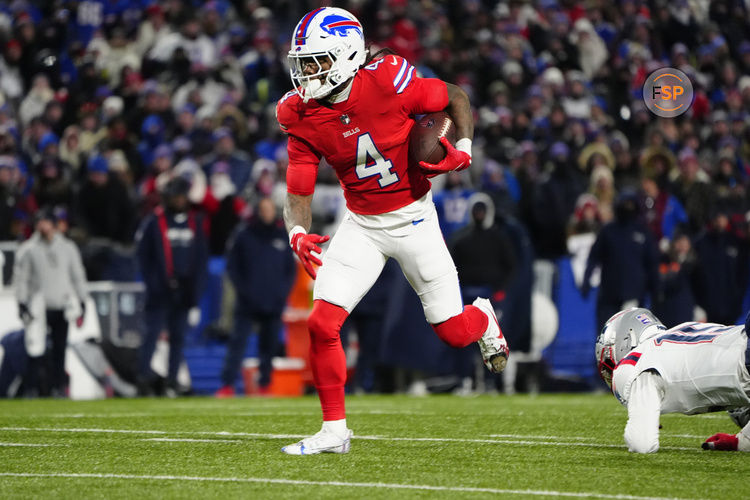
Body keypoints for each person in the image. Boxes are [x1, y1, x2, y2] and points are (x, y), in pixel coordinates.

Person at [276, 7, 508, 455]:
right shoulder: (300, 113)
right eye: (301, 62)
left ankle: (484, 319)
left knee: (453, 331)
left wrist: (462, 148)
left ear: (345, 56)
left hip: (415, 219)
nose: (304, 73)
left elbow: (455, 96)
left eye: (315, 61)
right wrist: (297, 233)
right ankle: (334, 431)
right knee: (323, 322)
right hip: (362, 224)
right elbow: (298, 187)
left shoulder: (387, 79)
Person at [595, 307, 750, 453]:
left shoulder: (635, 362)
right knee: (740, 412)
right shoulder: (680, 331)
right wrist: (743, 440)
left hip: (746, 359)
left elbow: (642, 443)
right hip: (744, 340)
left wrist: (641, 418)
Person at [135, 176, 208, 396]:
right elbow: (142, 256)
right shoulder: (154, 221)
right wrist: (155, 284)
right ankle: (144, 379)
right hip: (160, 291)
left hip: (184, 291)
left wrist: (195, 295)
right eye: (175, 196)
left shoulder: (195, 222)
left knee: (178, 338)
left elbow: (201, 260)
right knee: (152, 335)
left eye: (182, 196)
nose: (179, 200)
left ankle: (172, 380)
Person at [215, 197, 296, 396]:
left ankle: (264, 385)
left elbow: (290, 270)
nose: (267, 213)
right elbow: (232, 267)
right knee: (237, 345)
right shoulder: (244, 235)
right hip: (247, 303)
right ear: (258, 211)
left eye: (269, 209)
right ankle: (227, 385)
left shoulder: (281, 236)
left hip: (273, 303)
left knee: (268, 348)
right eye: (263, 209)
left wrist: (281, 294)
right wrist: (245, 292)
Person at [13, 208, 88, 397]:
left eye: (45, 221)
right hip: (38, 306)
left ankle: (59, 387)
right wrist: (21, 302)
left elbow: (77, 275)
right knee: (34, 349)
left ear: (53, 224)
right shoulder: (29, 249)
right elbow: (21, 278)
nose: (41, 225)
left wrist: (82, 300)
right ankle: (31, 388)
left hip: (61, 304)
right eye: (39, 221)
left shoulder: (67, 247)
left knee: (60, 349)